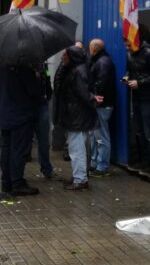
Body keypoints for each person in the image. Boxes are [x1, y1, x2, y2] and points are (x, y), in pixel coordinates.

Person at [0, 63, 41, 196]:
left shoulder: (1, 67)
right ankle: (17, 183)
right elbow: (34, 91)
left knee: (7, 148)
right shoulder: (24, 68)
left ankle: (6, 182)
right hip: (21, 115)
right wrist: (36, 78)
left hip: (5, 114)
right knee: (18, 150)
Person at [54, 45, 95, 191]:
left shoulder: (77, 71)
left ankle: (80, 179)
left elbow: (83, 93)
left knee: (76, 149)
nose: (62, 58)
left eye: (64, 55)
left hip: (76, 116)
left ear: (72, 57)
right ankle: (79, 177)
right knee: (77, 148)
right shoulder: (75, 69)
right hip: (75, 115)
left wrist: (92, 99)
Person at [124, 37, 150, 173]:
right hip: (135, 97)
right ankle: (143, 161)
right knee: (139, 131)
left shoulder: (148, 52)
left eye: (129, 45)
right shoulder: (130, 53)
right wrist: (126, 77)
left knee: (148, 133)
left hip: (147, 98)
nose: (127, 48)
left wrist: (139, 83)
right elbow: (129, 70)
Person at [88, 38, 116, 177]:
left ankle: (102, 166)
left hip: (102, 105)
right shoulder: (100, 60)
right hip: (100, 104)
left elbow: (101, 83)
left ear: (94, 49)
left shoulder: (102, 62)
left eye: (90, 47)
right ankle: (95, 163)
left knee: (101, 136)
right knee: (95, 135)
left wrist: (94, 98)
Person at [34, 63, 55, 178]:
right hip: (29, 105)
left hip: (42, 104)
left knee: (43, 138)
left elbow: (47, 78)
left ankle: (46, 168)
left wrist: (48, 93)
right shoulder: (24, 65)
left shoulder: (43, 65)